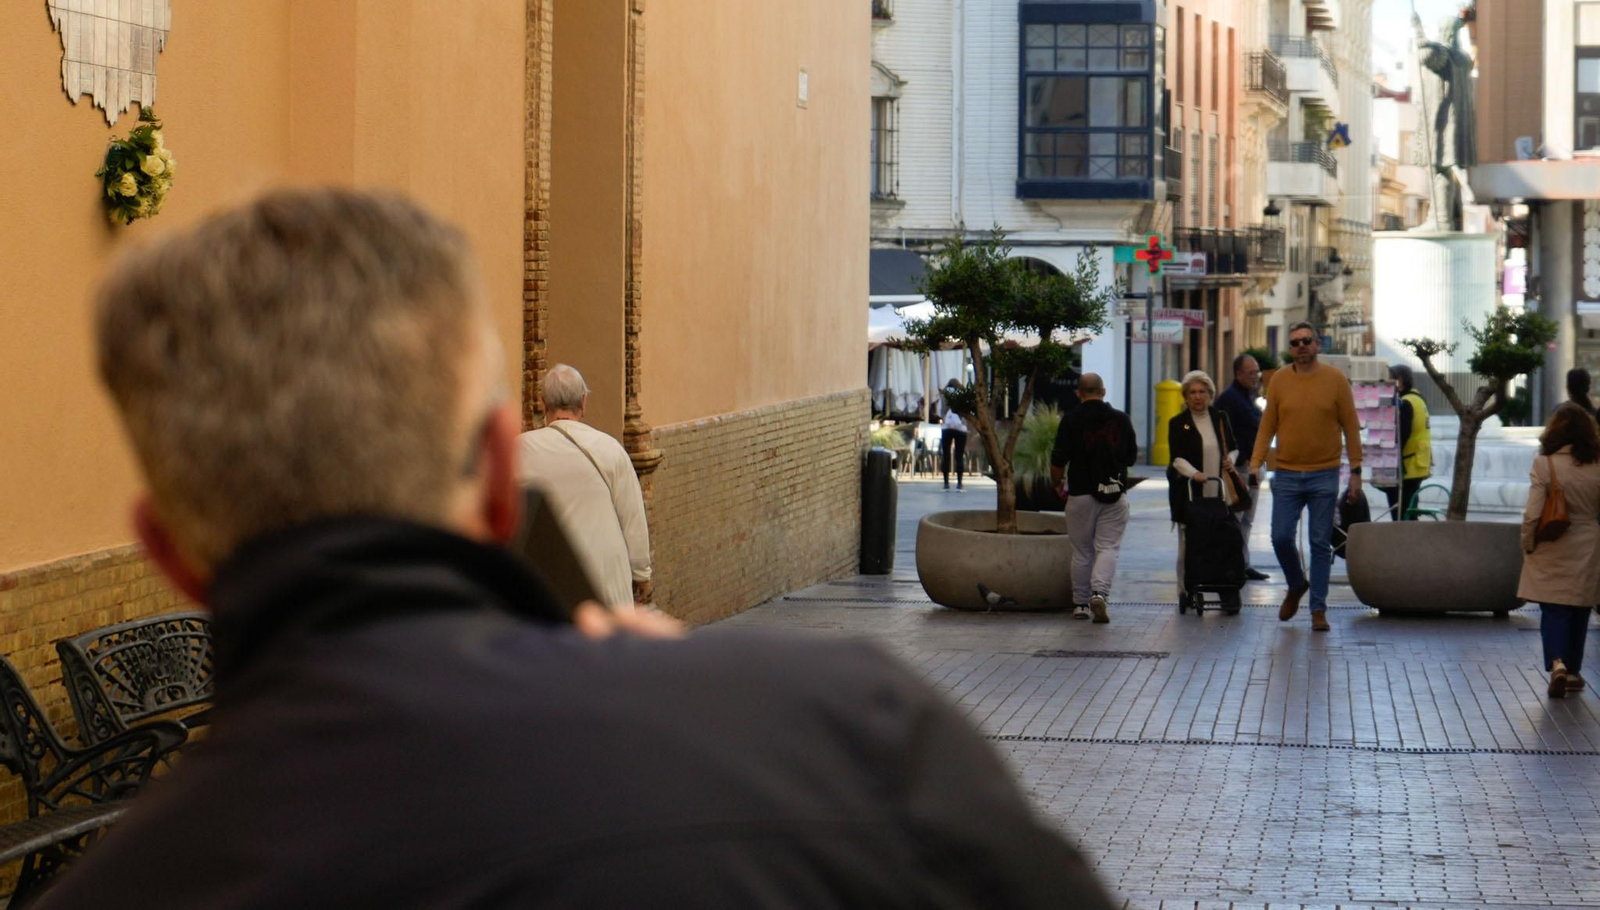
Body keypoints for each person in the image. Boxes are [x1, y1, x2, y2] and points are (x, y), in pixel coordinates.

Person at [40, 188, 1115, 909]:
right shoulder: (842, 733)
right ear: (497, 480)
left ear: (169, 552)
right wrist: (718, 711)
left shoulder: (126, 885)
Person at [1249, 321, 1363, 633]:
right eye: (1295, 342)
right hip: (1286, 473)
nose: (1300, 347)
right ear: (1290, 348)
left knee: (1319, 543)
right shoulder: (1280, 380)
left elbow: (1351, 427)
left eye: (1306, 341)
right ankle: (1297, 583)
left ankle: (1318, 609)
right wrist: (1256, 463)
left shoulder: (1335, 380)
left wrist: (1355, 471)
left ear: (1317, 344)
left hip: (1324, 474)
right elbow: (1267, 425)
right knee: (1280, 536)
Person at [517, 364, 652, 609]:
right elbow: (633, 519)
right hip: (605, 581)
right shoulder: (610, 449)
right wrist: (642, 575)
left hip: (546, 584)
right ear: (583, 401)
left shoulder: (521, 450)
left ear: (542, 402)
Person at [1518, 403, 1600, 698]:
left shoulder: (1545, 464)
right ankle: (1573, 671)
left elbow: (1533, 512)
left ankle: (1558, 664)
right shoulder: (1597, 464)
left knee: (1553, 608)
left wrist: (1528, 542)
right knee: (1580, 607)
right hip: (1588, 542)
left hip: (1552, 541)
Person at [1049, 372, 1138, 624]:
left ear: (1078, 393)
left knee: (1082, 552)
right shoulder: (1121, 420)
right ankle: (1099, 593)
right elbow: (1131, 457)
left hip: (1080, 493)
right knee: (1108, 547)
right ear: (1104, 391)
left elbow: (1058, 459)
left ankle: (1080, 605)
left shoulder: (1070, 419)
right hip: (1113, 493)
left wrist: (1057, 483)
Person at [1167, 371, 1244, 611]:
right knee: (1188, 543)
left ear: (1210, 394)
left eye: (1202, 392)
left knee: (1222, 540)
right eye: (1192, 392)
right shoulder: (1178, 423)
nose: (1197, 397)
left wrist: (1231, 460)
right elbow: (1176, 459)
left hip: (1219, 490)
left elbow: (1233, 448)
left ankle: (1225, 588)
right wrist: (1194, 474)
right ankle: (1185, 588)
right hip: (1190, 492)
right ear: (1185, 396)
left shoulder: (1220, 417)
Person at [1214, 353, 1272, 582]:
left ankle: (1243, 563)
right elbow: (1223, 435)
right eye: (1251, 372)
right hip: (1240, 469)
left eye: (1257, 372)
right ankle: (1232, 564)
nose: (1256, 376)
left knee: (1247, 519)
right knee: (1235, 519)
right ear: (1238, 374)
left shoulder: (1250, 396)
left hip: (1254, 468)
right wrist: (1238, 460)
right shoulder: (1230, 399)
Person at [1378, 364, 1431, 521]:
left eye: (1390, 379)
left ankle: (1404, 537)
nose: (1387, 384)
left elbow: (1401, 435)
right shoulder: (1418, 399)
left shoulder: (1405, 403)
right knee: (1410, 510)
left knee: (1401, 513)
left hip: (1406, 466)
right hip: (1418, 464)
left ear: (1399, 381)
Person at [938, 378, 968, 490]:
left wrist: (945, 420)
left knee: (946, 455)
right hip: (961, 428)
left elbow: (940, 411)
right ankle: (959, 483)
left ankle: (946, 483)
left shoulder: (944, 395)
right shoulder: (963, 394)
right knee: (959, 456)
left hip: (946, 428)